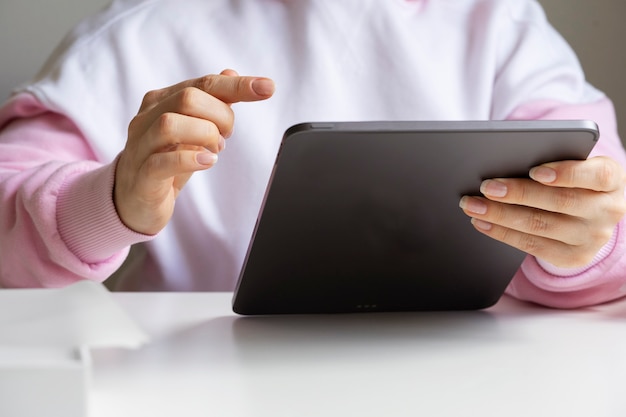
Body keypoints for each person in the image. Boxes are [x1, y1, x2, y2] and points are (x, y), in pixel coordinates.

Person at [0, 0, 625, 308]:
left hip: (466, 383)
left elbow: (607, 205)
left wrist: (580, 243)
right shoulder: (138, 33)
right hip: (202, 389)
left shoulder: (498, 21)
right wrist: (112, 201)